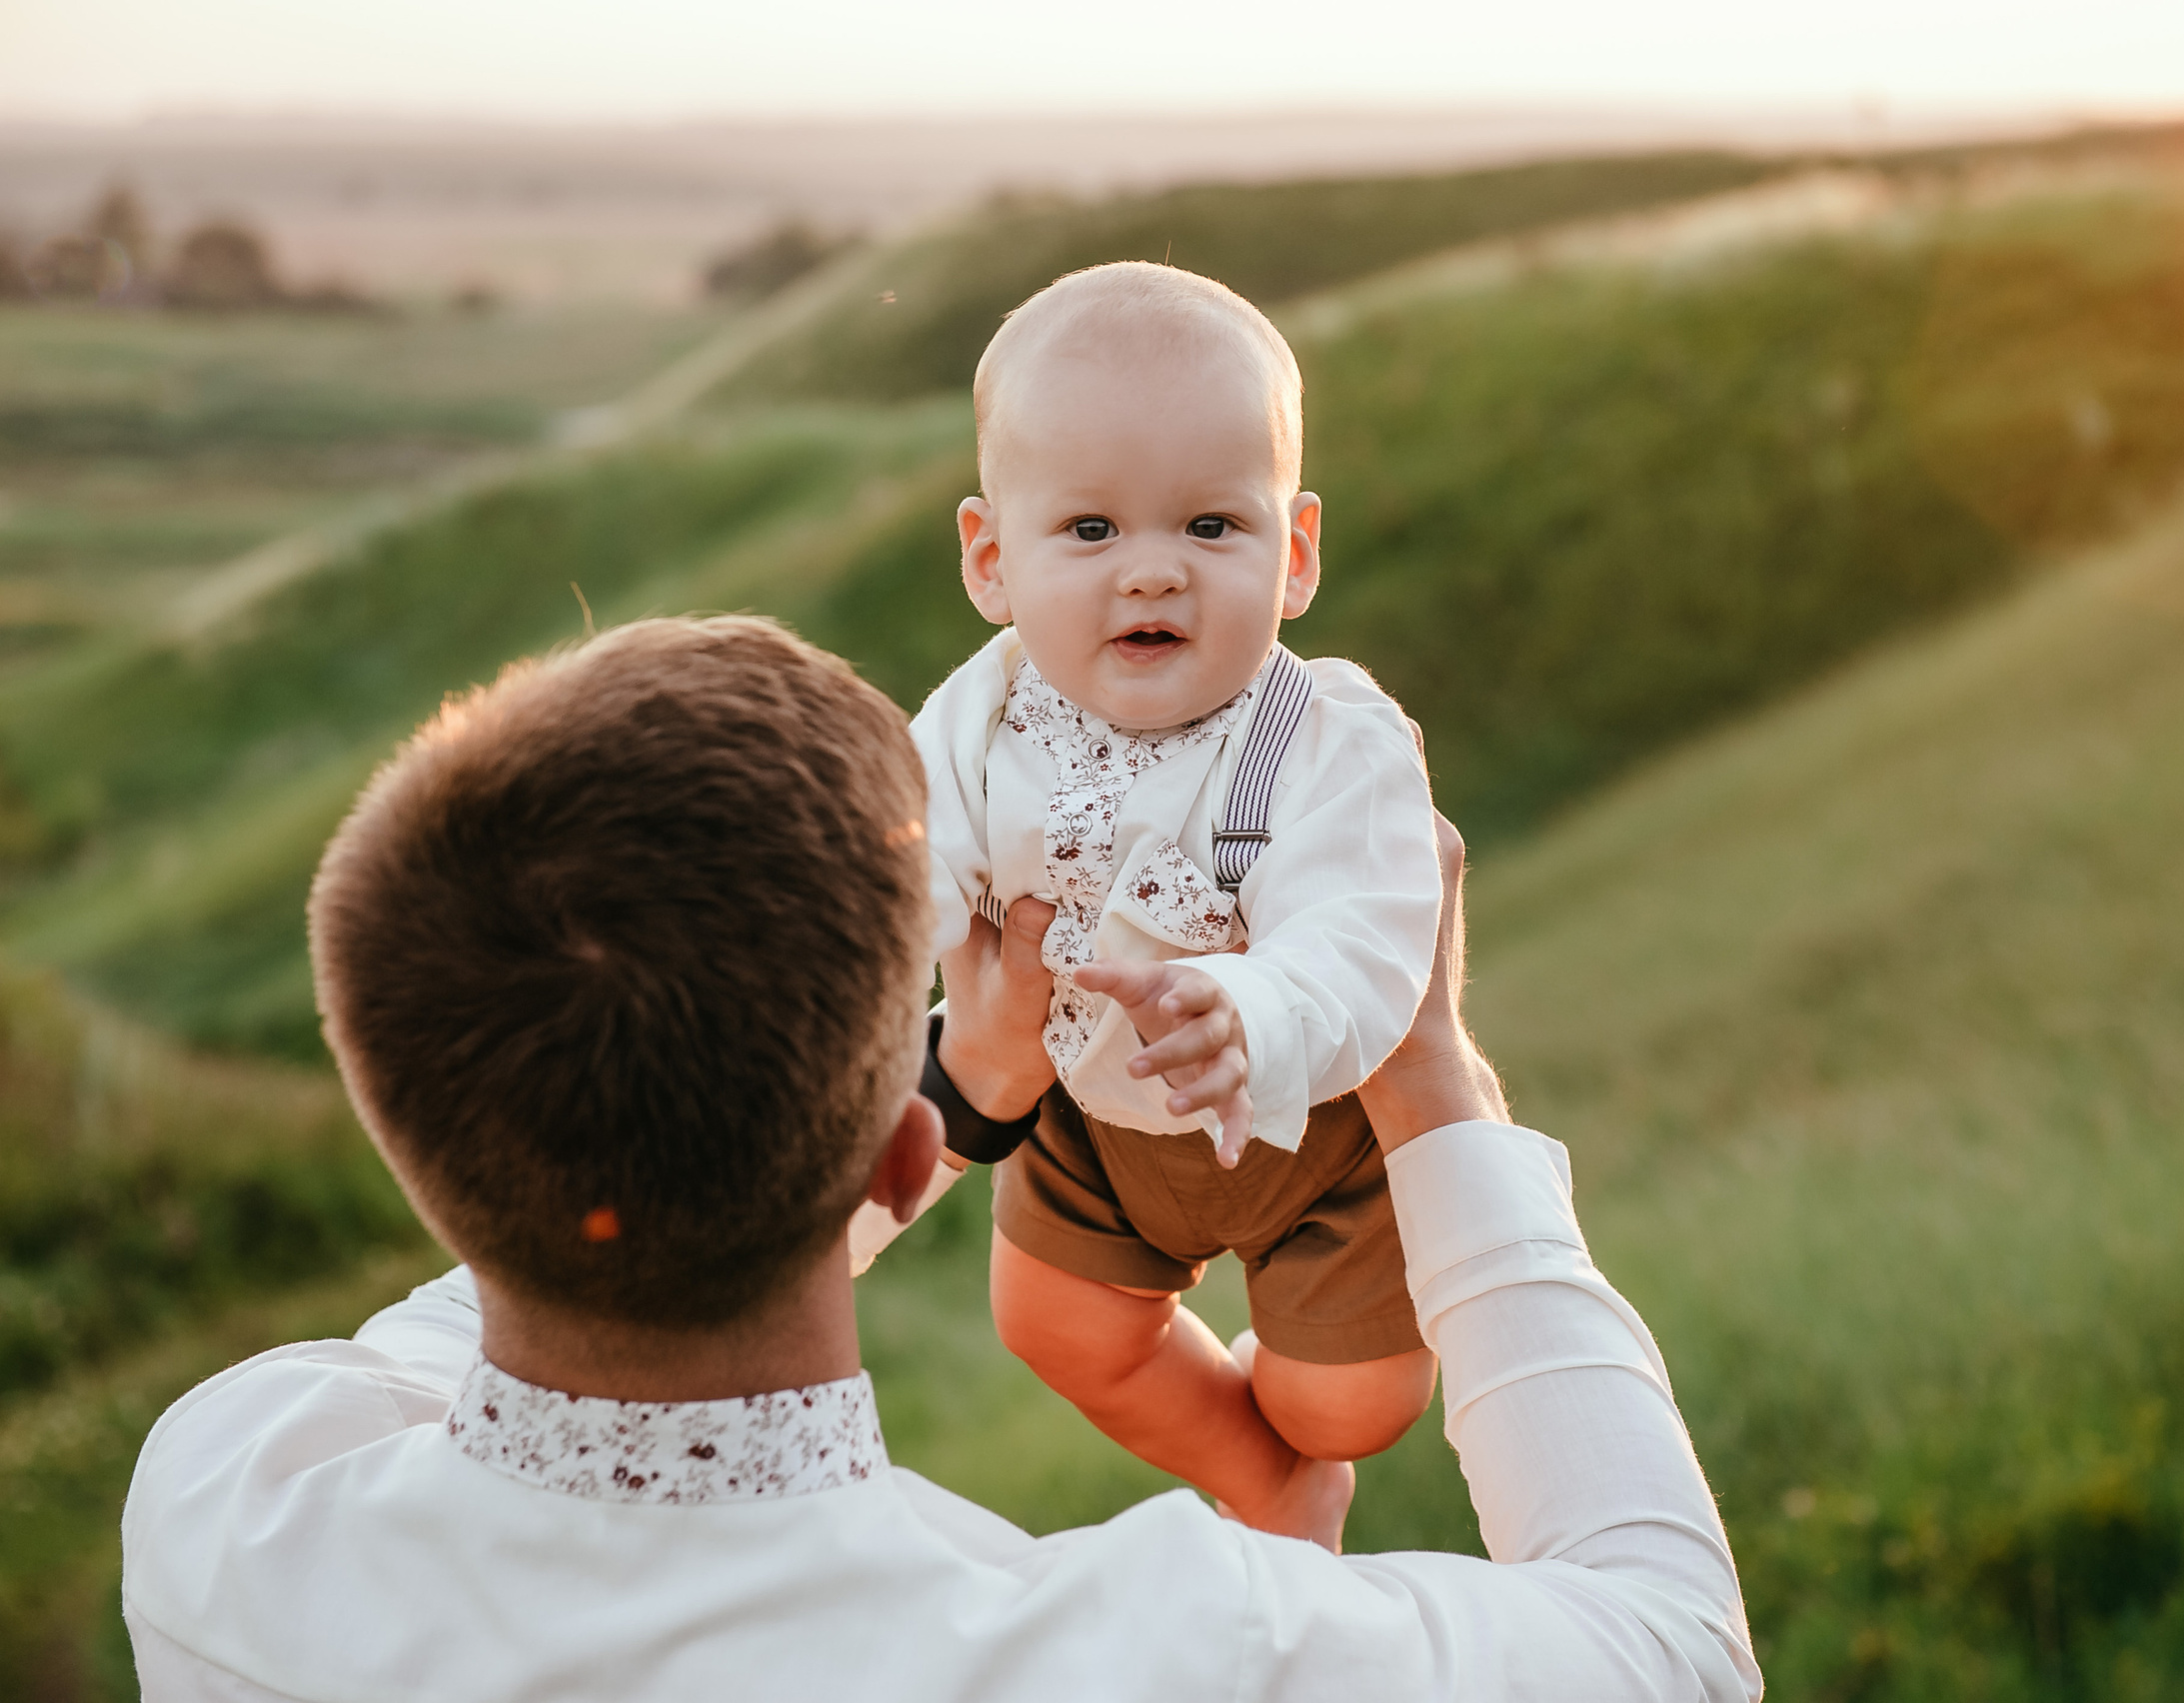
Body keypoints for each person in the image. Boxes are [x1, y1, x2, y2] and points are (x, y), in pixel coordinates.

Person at [121, 616, 1761, 1702]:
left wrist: (960, 1099)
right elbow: (1677, 1648)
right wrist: (1434, 1082)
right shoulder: (1152, 1648)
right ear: (904, 1153)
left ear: (413, 1140)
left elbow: (499, 1301)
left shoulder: (227, 1501)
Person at [899, 262, 1441, 1543]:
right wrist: (860, 953)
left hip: (1305, 1128)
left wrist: (1252, 1006)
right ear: (990, 561)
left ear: (1293, 552)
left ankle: (1312, 1438)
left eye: (1209, 528)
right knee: (1053, 1323)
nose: (1151, 575)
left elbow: (1361, 937)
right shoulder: (978, 722)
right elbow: (904, 869)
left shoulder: (1325, 736)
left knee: (1349, 1403)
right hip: (1089, 1123)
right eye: (1090, 532)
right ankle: (1262, 1481)